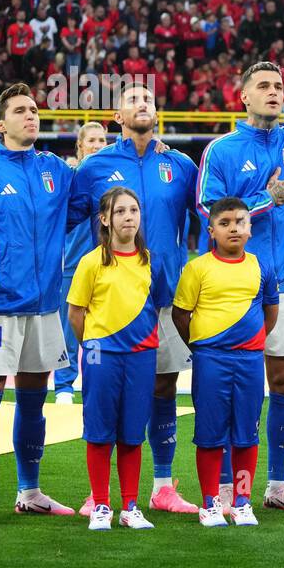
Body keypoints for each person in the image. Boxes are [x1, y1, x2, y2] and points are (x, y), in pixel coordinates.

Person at [195, 61, 284, 512]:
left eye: (279, 86)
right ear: (244, 97)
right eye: (264, 87)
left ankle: (275, 486)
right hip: (232, 286)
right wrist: (264, 201)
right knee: (234, 389)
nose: (274, 92)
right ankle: (225, 489)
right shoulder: (223, 149)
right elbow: (208, 207)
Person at [69, 84, 199, 515]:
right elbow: (62, 216)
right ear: (117, 116)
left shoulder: (180, 165)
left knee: (163, 388)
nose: (142, 104)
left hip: (166, 297)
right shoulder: (94, 167)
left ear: (157, 112)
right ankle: (99, 494)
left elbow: (208, 214)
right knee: (104, 397)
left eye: (149, 99)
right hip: (111, 301)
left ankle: (162, 487)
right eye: (132, 100)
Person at [0, 83, 75, 522]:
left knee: (33, 400)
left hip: (44, 305)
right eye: (22, 111)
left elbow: (83, 203)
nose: (32, 116)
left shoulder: (56, 170)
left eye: (35, 110)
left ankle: (30, 490)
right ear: (0, 123)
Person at [172, 197, 279, 528]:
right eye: (225, 223)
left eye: (240, 222)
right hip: (210, 360)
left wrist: (251, 341)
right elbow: (180, 315)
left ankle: (243, 502)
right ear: (211, 230)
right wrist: (204, 345)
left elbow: (270, 312)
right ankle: (210, 503)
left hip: (249, 361)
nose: (234, 228)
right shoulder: (197, 268)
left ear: (250, 228)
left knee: (247, 434)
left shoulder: (262, 266)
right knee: (209, 434)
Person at [68, 188, 170, 532]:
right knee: (99, 432)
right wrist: (96, 344)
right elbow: (76, 313)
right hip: (101, 356)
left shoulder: (152, 261)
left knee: (131, 433)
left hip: (141, 355)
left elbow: (159, 304)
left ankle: (129, 506)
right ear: (105, 219)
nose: (129, 217)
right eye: (121, 211)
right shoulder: (90, 262)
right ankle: (100, 506)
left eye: (134, 210)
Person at [54, 121, 106, 407]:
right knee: (68, 326)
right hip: (72, 265)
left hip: (106, 268)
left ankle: (95, 378)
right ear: (80, 146)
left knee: (98, 328)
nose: (97, 145)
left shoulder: (113, 181)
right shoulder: (69, 179)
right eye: (92, 141)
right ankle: (64, 383)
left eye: (102, 140)